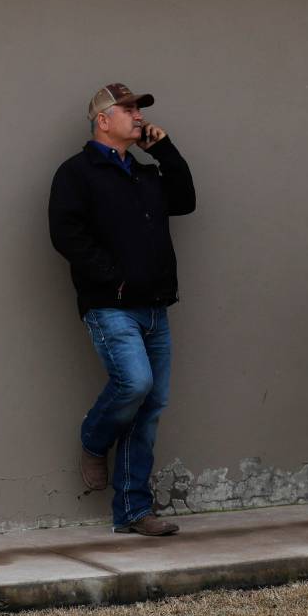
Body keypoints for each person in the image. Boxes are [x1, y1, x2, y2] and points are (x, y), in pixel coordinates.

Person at [48, 83, 196, 537]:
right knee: (135, 383)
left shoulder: (145, 172)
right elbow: (66, 235)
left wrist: (165, 149)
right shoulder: (77, 173)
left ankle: (133, 511)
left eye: (139, 109)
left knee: (150, 406)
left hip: (155, 306)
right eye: (127, 108)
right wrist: (114, 277)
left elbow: (186, 201)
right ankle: (93, 441)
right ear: (102, 120)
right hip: (110, 305)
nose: (136, 115)